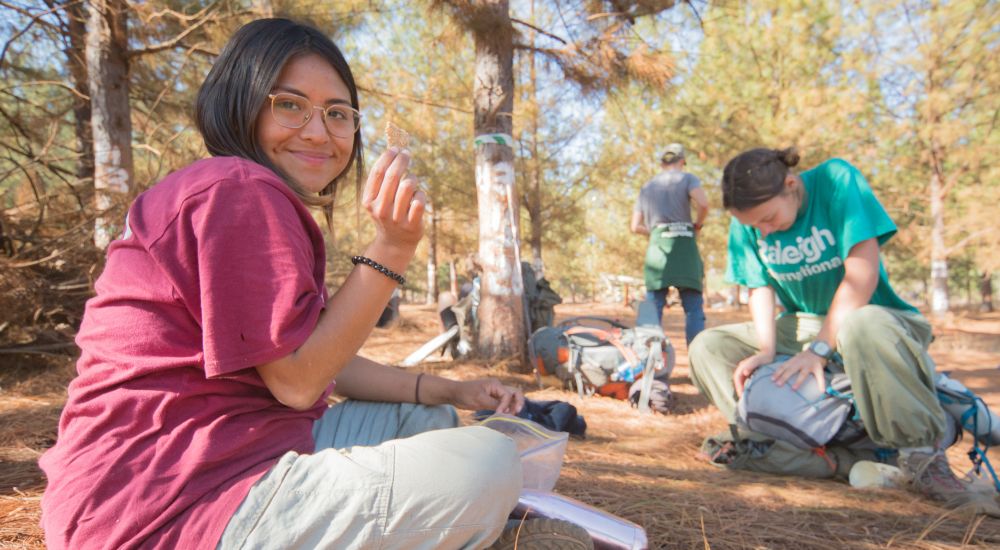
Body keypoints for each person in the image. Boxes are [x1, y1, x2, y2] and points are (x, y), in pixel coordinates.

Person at [39, 18, 525, 549]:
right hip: (167, 506)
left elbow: (313, 356)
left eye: (337, 114)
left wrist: (453, 388)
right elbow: (297, 382)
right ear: (240, 104)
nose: (319, 132)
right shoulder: (239, 190)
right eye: (289, 104)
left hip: (198, 466)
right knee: (491, 463)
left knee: (430, 416)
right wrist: (392, 247)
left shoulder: (231, 189)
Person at [689, 147, 998, 515]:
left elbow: (861, 275)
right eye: (756, 226)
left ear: (791, 184)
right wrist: (766, 350)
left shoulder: (835, 181)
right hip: (801, 323)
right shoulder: (750, 221)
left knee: (859, 324)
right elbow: (760, 288)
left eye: (769, 218)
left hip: (876, 319)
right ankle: (777, 442)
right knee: (708, 346)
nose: (764, 230)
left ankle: (920, 458)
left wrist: (819, 350)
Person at [630, 143, 709, 345]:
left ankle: (652, 362)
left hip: (658, 250)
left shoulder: (647, 187)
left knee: (653, 307)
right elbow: (703, 203)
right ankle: (697, 363)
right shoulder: (688, 178)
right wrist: (697, 224)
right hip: (685, 248)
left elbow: (635, 226)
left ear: (662, 163)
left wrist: (657, 232)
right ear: (682, 161)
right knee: (693, 308)